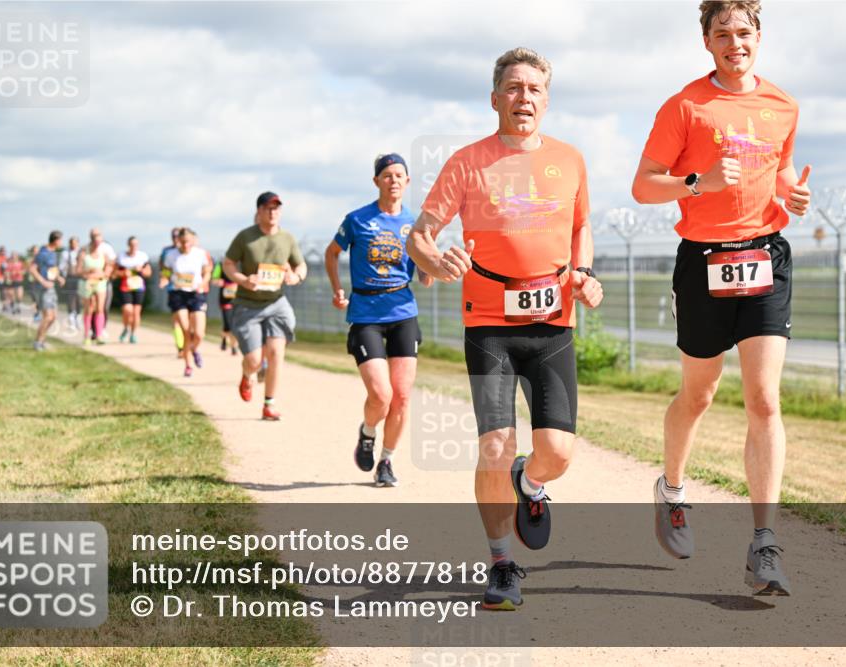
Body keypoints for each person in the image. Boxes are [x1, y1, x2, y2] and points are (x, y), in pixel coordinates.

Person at [407, 47, 603, 610]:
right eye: (514, 88)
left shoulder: (570, 160)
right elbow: (420, 233)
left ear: (547, 99)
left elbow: (582, 225)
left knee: (559, 453)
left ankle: (532, 483)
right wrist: (434, 257)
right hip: (489, 322)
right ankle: (501, 563)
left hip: (552, 323)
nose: (524, 98)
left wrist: (584, 274)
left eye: (535, 89)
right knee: (495, 445)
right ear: (495, 99)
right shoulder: (468, 162)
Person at [631, 0, 811, 596]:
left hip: (767, 256)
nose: (735, 41)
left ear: (760, 36)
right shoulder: (686, 105)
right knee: (700, 394)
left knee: (763, 400)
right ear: (707, 42)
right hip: (703, 261)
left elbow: (780, 173)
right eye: (722, 33)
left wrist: (796, 196)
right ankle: (673, 490)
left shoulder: (783, 104)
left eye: (744, 31)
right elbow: (643, 184)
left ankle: (765, 543)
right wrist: (695, 183)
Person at [325, 153, 431, 488]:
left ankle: (386, 461)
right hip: (366, 314)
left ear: (408, 182)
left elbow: (426, 277)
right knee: (381, 395)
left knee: (401, 397)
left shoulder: (416, 225)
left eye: (400, 175)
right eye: (387, 175)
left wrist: (433, 260)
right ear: (376, 182)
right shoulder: (357, 219)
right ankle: (368, 432)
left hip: (403, 313)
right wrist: (338, 290)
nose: (394, 180)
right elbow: (331, 253)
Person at [223, 191, 307, 421]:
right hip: (247, 305)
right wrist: (242, 280)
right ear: (258, 212)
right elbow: (228, 263)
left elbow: (301, 266)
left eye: (276, 208)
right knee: (254, 360)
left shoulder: (287, 238)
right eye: (268, 208)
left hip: (276, 303)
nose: (273, 212)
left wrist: (296, 277)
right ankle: (247, 374)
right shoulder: (245, 237)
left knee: (277, 353)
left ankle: (269, 404)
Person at [159, 228, 211, 377]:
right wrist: (164, 279)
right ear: (178, 241)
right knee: (186, 330)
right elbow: (166, 271)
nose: (185, 245)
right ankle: (188, 365)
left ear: (192, 241)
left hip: (196, 293)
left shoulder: (200, 254)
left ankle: (195, 349)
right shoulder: (171, 255)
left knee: (199, 333)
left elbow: (207, 271)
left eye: (188, 242)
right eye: (182, 242)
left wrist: (203, 283)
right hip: (178, 294)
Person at [29, 231, 65, 351]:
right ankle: (37, 342)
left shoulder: (53, 253)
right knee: (48, 316)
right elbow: (32, 269)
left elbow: (51, 270)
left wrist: (58, 278)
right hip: (43, 289)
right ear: (55, 240)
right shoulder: (43, 253)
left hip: (51, 288)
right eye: (61, 240)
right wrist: (42, 281)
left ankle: (42, 340)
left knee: (53, 317)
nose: (61, 243)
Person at [77, 230, 113, 345]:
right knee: (88, 309)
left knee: (100, 308)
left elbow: (109, 267)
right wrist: (88, 271)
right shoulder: (84, 252)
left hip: (100, 283)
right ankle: (86, 335)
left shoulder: (104, 252)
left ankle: (99, 334)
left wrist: (104, 273)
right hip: (87, 283)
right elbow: (77, 270)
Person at [115, 236, 152, 343]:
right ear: (128, 245)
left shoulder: (142, 256)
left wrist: (141, 271)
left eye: (136, 245)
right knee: (127, 310)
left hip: (138, 287)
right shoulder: (122, 257)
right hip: (125, 286)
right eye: (132, 244)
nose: (133, 247)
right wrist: (124, 273)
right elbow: (115, 272)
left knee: (136, 313)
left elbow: (148, 273)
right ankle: (126, 327)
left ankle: (133, 333)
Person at [159, 227, 186, 355]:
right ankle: (180, 346)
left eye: (178, 236)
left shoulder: (191, 251)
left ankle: (188, 344)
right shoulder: (167, 251)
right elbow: (163, 268)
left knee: (189, 321)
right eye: (174, 236)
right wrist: (164, 278)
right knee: (177, 319)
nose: (176, 238)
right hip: (174, 289)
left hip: (190, 291)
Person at [213, 261, 239, 355]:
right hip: (225, 299)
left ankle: (234, 346)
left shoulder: (244, 262)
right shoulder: (220, 264)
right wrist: (219, 281)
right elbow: (214, 279)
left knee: (235, 324)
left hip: (238, 299)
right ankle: (224, 338)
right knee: (228, 324)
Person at [59, 236, 83, 330]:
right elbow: (62, 266)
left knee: (79, 298)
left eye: (75, 243)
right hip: (70, 277)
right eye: (72, 243)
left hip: (80, 278)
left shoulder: (81, 252)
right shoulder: (65, 253)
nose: (73, 245)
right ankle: (71, 317)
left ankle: (78, 316)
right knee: (71, 297)